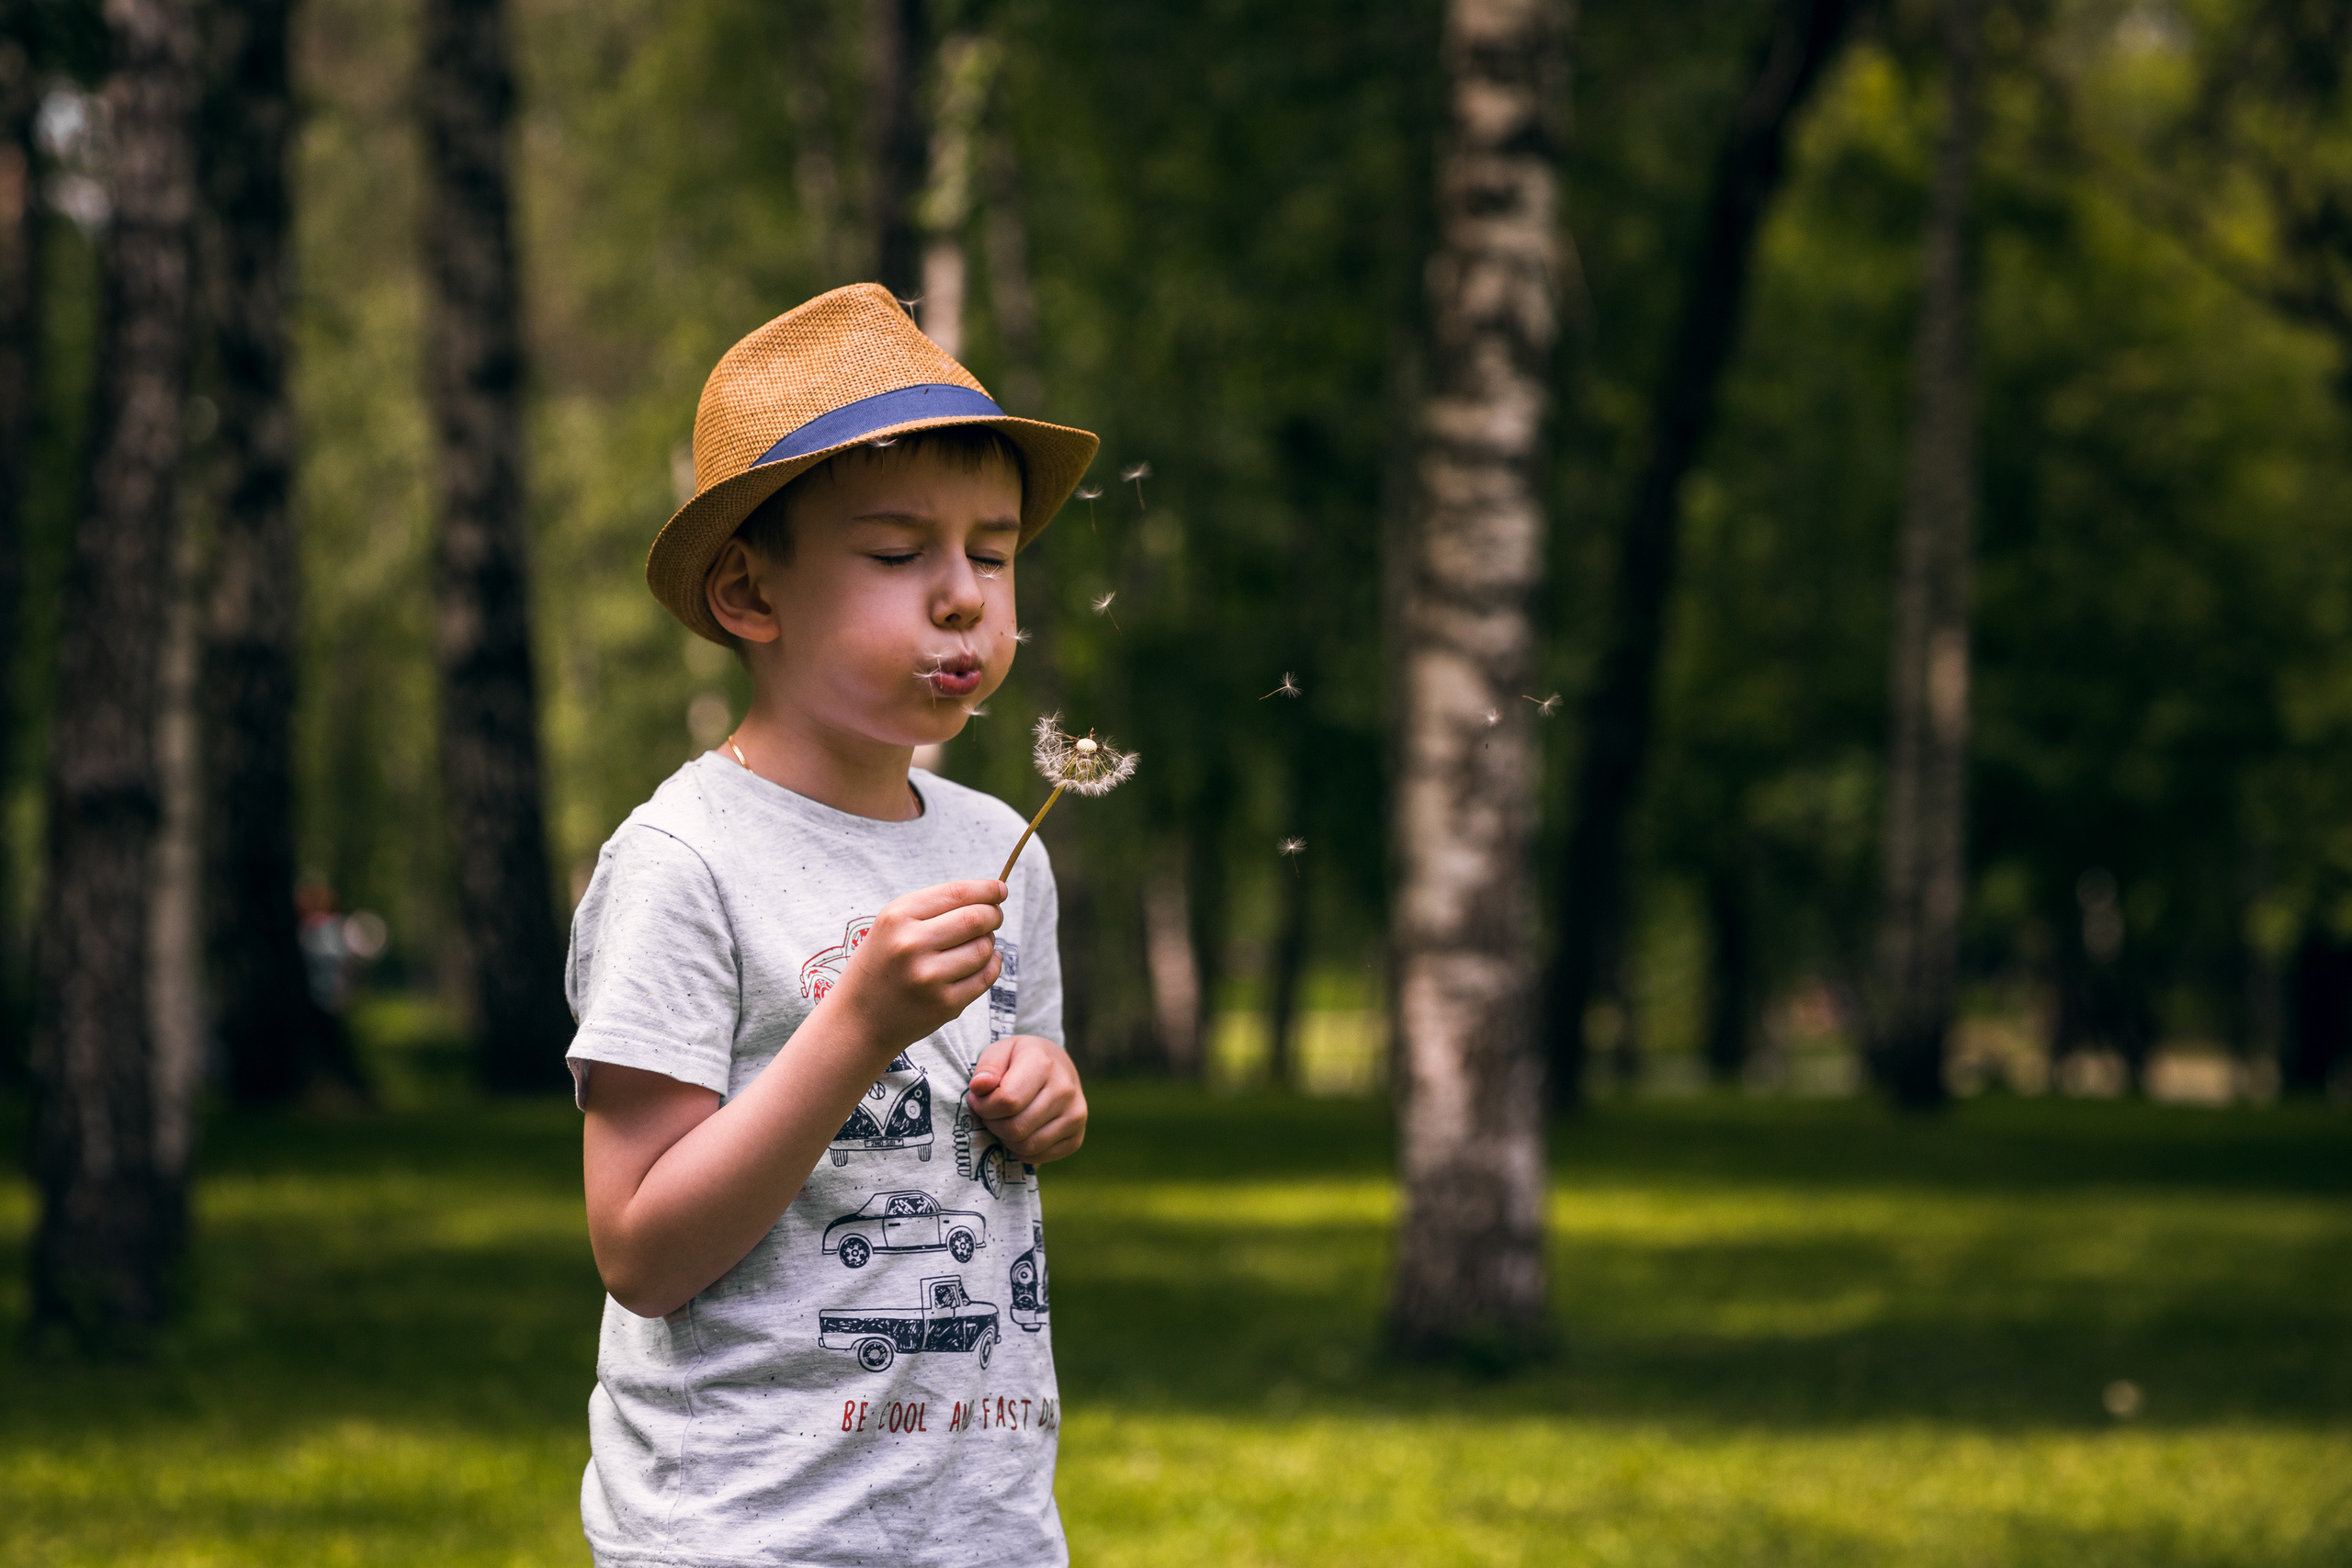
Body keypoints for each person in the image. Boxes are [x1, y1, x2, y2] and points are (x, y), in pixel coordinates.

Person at [564, 283, 1102, 1567]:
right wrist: (856, 1023)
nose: (964, 595)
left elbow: (1018, 1090)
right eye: (897, 552)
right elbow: (639, 1247)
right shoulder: (682, 864)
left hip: (981, 1526)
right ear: (751, 593)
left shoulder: (998, 850)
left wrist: (1048, 1092)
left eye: (993, 550)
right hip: (746, 1529)